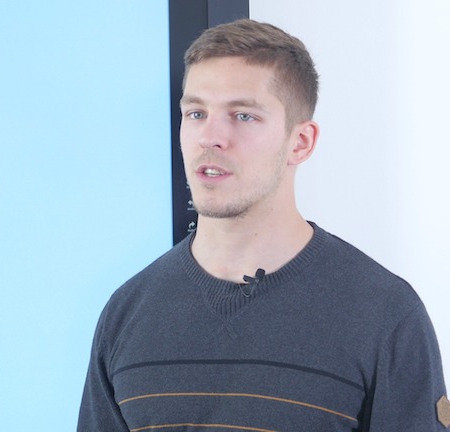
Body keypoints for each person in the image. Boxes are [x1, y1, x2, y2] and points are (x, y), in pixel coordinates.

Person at [77, 19, 448, 431]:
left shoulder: (384, 314)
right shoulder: (127, 312)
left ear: (300, 142)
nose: (210, 137)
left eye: (243, 116)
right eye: (196, 113)